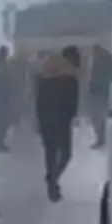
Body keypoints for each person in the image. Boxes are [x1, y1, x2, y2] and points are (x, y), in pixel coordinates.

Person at [35, 46, 81, 202]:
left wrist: (38, 120)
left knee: (50, 152)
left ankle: (52, 181)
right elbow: (72, 102)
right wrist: (73, 116)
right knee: (66, 154)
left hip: (46, 119)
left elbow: (38, 100)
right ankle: (52, 179)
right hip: (62, 120)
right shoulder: (71, 77)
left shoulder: (43, 74)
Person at [87, 43, 112, 150]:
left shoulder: (102, 61)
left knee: (98, 118)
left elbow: (100, 78)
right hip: (101, 92)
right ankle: (102, 139)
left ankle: (101, 139)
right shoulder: (105, 59)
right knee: (100, 118)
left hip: (99, 92)